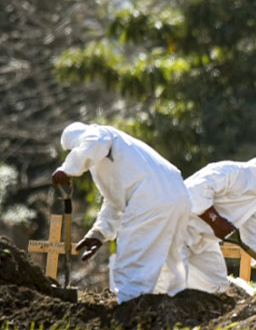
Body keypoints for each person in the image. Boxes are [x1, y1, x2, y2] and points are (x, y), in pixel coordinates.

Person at [52, 122, 190, 303]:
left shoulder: (99, 134)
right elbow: (115, 202)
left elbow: (95, 140)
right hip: (179, 195)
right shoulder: (120, 156)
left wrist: (67, 169)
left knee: (132, 264)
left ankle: (130, 314)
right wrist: (99, 233)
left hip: (150, 197)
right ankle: (171, 312)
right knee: (170, 264)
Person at [183, 149, 256, 293]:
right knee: (167, 281)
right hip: (175, 227)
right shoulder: (233, 173)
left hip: (201, 242)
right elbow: (194, 192)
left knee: (217, 286)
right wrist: (216, 221)